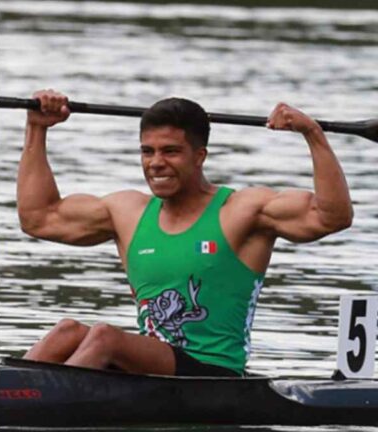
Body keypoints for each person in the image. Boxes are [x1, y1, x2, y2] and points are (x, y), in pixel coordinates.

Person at [18, 89, 352, 377]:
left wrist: (312, 133)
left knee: (104, 337)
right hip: (151, 367)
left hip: (212, 372)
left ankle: (41, 403)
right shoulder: (128, 213)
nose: (156, 162)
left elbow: (331, 216)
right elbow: (38, 218)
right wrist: (37, 127)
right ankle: (14, 400)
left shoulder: (240, 211)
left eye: (171, 151)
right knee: (67, 331)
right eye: (147, 151)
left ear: (199, 156)